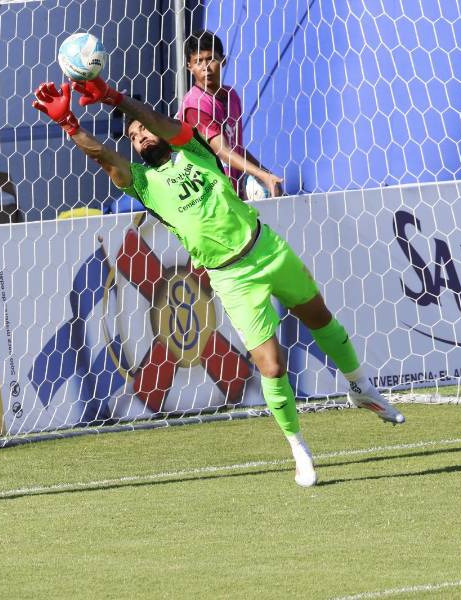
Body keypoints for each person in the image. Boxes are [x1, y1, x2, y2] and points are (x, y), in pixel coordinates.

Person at [32, 76, 405, 488]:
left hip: (266, 249)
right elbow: (105, 157)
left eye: (143, 130)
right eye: (134, 139)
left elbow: (157, 121)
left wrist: (118, 100)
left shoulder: (191, 147)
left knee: (321, 319)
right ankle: (299, 448)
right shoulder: (144, 184)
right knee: (272, 364)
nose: (140, 138)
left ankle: (360, 387)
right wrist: (70, 124)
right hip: (229, 276)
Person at [178, 30, 283, 198]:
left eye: (211, 59)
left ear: (223, 60)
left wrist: (265, 174)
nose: (206, 67)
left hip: (231, 194)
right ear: (189, 66)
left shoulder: (231, 97)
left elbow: (236, 148)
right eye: (198, 61)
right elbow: (222, 150)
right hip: (206, 197)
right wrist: (262, 175)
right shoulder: (194, 105)